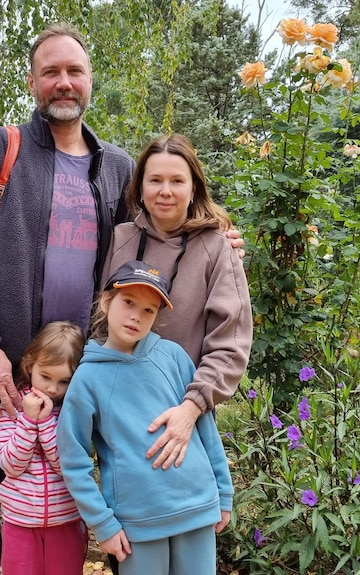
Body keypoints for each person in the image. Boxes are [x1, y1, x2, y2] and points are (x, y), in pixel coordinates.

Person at [0, 24, 245, 575]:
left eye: (74, 71)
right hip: (5, 365)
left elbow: (154, 229)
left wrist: (217, 233)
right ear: (33, 81)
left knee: (73, 496)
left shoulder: (117, 167)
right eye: (51, 72)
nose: (63, 82)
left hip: (83, 371)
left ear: (89, 82)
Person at [57, 261, 234, 575]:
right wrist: (102, 524)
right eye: (128, 303)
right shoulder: (87, 378)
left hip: (197, 508)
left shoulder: (174, 357)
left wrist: (223, 492)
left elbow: (206, 428)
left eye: (149, 310)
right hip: (139, 522)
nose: (137, 316)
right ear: (107, 301)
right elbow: (73, 460)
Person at [101, 133, 253, 474]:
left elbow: (230, 343)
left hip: (186, 416)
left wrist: (191, 408)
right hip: (122, 414)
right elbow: (99, 321)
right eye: (155, 180)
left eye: (176, 181)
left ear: (194, 187)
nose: (165, 191)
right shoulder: (120, 240)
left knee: (188, 516)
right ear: (139, 187)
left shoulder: (218, 248)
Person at [0, 321, 88, 575]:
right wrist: (27, 421)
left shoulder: (71, 411)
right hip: (20, 521)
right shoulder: (12, 407)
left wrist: (46, 423)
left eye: (63, 381)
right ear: (29, 364)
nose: (51, 388)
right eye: (45, 376)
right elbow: (11, 465)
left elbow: (65, 465)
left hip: (66, 520)